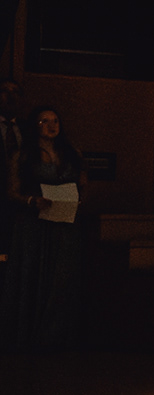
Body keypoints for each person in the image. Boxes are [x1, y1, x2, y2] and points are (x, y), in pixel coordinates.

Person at [3, 106, 88, 353]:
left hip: (64, 223)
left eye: (55, 120)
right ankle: (29, 334)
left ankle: (56, 336)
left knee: (61, 278)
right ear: (35, 125)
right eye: (44, 121)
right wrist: (32, 201)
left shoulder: (71, 153)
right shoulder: (23, 155)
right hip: (34, 223)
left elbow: (83, 183)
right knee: (32, 274)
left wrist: (77, 199)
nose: (51, 125)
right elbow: (12, 191)